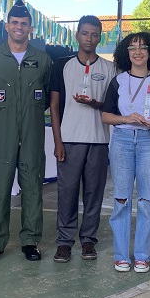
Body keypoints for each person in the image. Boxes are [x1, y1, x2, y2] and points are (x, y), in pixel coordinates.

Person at [0, 0, 52, 263]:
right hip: (2, 130)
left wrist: (29, 109)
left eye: (24, 23)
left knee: (32, 185)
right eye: (15, 23)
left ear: (30, 28)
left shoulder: (42, 59)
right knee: (0, 186)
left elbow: (48, 92)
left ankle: (30, 241)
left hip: (32, 130)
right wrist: (2, 109)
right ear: (6, 26)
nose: (19, 27)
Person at [101, 32, 150, 273]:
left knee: (146, 200)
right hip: (122, 140)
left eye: (143, 47)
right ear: (126, 53)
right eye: (132, 48)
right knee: (121, 199)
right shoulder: (118, 81)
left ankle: (142, 255)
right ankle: (121, 255)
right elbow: (106, 116)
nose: (138, 52)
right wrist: (126, 118)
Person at [50, 15, 116, 263]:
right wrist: (58, 142)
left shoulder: (109, 69)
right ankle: (64, 242)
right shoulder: (62, 65)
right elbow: (54, 106)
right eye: (85, 33)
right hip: (69, 139)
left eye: (94, 34)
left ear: (100, 38)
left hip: (99, 140)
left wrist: (95, 103)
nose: (89, 38)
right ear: (77, 35)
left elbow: (112, 106)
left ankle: (88, 240)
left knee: (93, 194)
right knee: (67, 193)